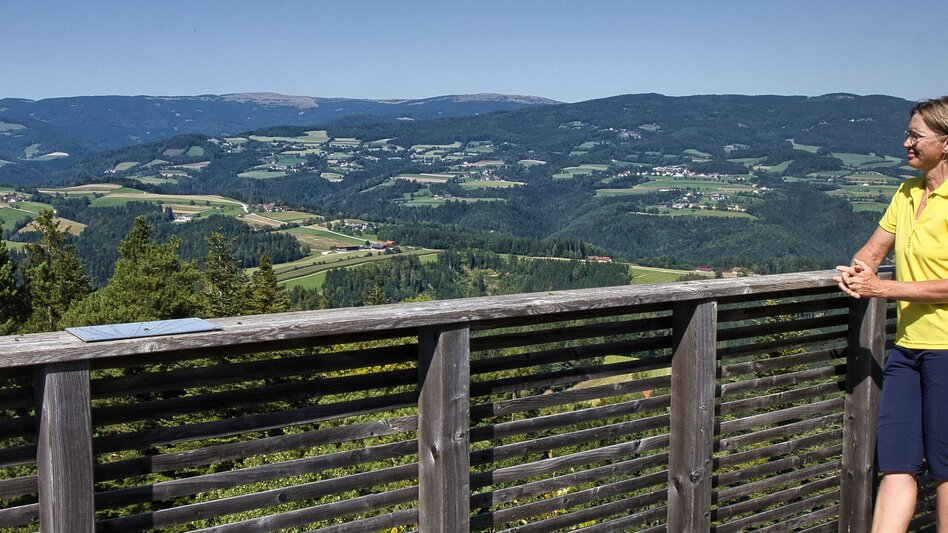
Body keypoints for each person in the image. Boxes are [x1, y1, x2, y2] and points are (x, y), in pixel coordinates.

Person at [835, 96, 948, 532]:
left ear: (946, 143)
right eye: (907, 134)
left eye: (916, 136)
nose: (906, 143)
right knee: (896, 462)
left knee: (945, 469)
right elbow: (872, 251)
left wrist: (881, 287)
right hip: (907, 349)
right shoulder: (907, 194)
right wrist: (858, 271)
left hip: (945, 350)